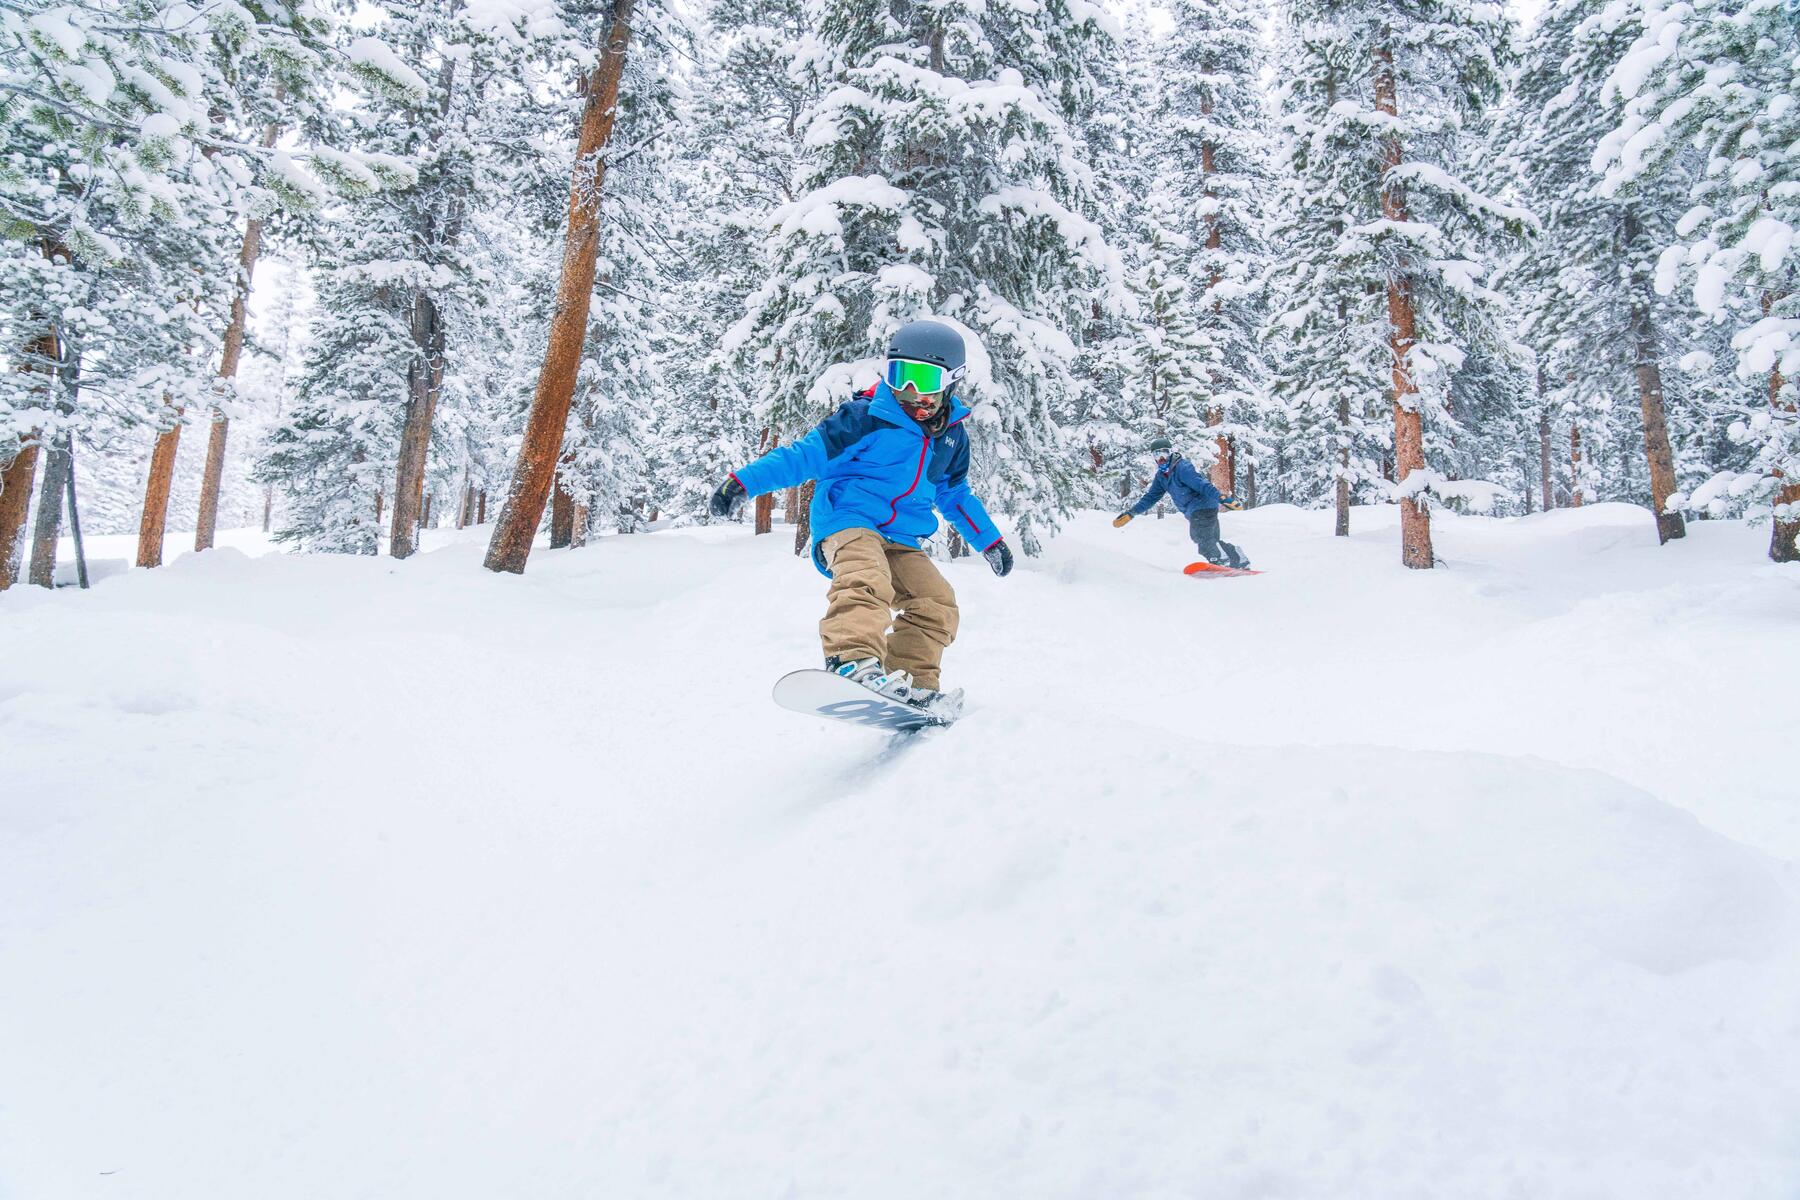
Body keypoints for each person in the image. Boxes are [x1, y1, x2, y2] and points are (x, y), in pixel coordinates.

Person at [708, 319, 1013, 713]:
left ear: (951, 381)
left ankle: (912, 681)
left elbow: (954, 494)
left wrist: (990, 541)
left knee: (936, 601)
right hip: (848, 519)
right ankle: (850, 659)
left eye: (923, 379)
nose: (910, 391)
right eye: (900, 375)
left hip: (902, 536)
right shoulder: (864, 417)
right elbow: (804, 455)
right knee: (867, 577)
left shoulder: (951, 437)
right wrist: (742, 483)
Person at [1112, 437, 1250, 568]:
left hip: (1202, 506)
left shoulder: (1182, 468)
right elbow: (1150, 497)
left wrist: (1221, 498)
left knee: (1203, 541)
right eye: (1157, 454)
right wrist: (1132, 513)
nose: (1161, 458)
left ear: (1170, 453)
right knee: (1209, 540)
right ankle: (1237, 558)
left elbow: (1201, 484)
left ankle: (1219, 559)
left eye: (1164, 453)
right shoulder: (1162, 476)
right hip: (1197, 510)